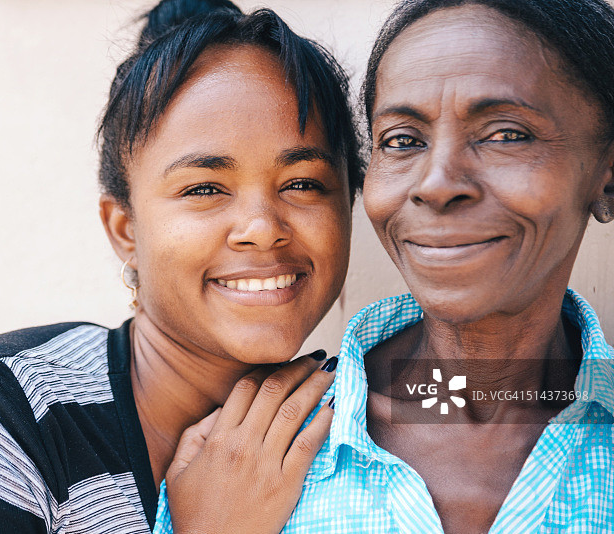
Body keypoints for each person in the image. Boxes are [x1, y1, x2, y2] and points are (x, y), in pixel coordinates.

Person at [0, 0, 364, 533]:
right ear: (125, 228)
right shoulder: (0, 413)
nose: (262, 227)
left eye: (302, 183)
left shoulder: (365, 427)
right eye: (204, 188)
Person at [153, 0, 614, 532]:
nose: (436, 183)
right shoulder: (243, 462)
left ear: (606, 174)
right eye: (402, 140)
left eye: (506, 134)